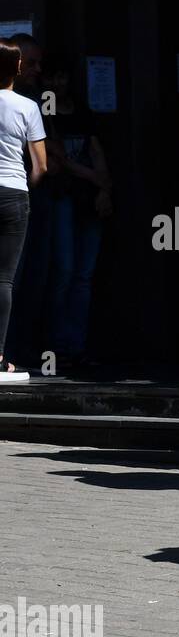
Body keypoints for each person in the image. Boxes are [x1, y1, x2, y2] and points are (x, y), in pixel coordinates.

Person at [42, 63, 111, 372]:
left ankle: (75, 345)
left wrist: (104, 188)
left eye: (63, 75)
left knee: (82, 276)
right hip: (64, 197)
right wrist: (99, 181)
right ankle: (56, 347)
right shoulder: (45, 114)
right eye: (53, 76)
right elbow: (59, 159)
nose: (59, 82)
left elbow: (96, 152)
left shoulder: (81, 111)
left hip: (88, 198)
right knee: (65, 272)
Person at [0, 37, 47, 382]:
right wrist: (24, 188)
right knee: (4, 278)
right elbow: (41, 166)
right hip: (14, 192)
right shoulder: (28, 107)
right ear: (17, 68)